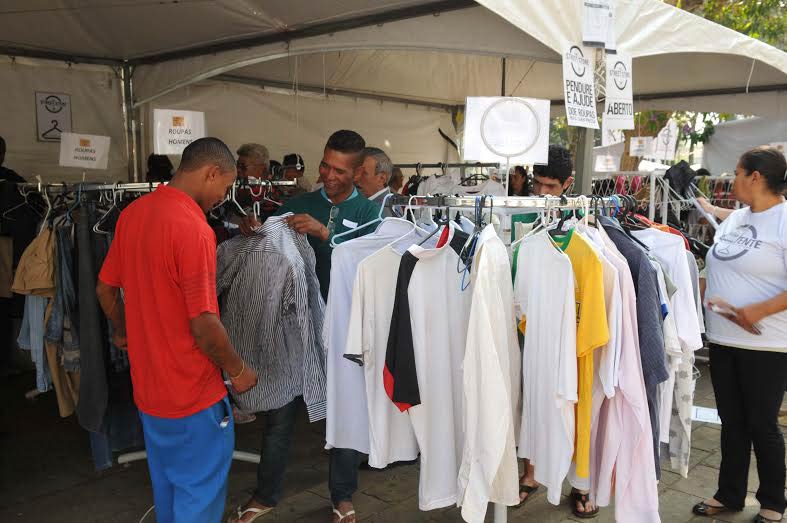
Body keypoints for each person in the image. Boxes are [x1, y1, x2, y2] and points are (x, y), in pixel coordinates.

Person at [96, 138, 258, 523]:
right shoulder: (193, 228)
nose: (223, 197)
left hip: (150, 390)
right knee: (198, 498)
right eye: (224, 186)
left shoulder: (133, 214)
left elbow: (105, 289)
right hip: (192, 395)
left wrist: (122, 331)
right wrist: (238, 371)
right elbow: (203, 323)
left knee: (169, 490)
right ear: (211, 173)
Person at [233, 130, 380, 523]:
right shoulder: (297, 202)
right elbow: (268, 248)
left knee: (343, 412)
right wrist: (253, 229)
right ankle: (265, 494)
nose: (328, 175)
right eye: (325, 165)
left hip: (345, 325)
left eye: (340, 170)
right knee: (280, 412)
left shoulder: (371, 213)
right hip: (294, 326)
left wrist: (326, 234)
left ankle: (343, 495)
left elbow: (373, 264)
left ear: (358, 172)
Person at [693, 146, 787, 523]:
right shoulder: (737, 218)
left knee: (762, 423)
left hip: (767, 342)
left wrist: (757, 311)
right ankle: (729, 494)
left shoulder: (784, 221)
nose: (732, 178)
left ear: (755, 177)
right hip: (724, 338)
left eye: (736, 172)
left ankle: (772, 503)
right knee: (731, 421)